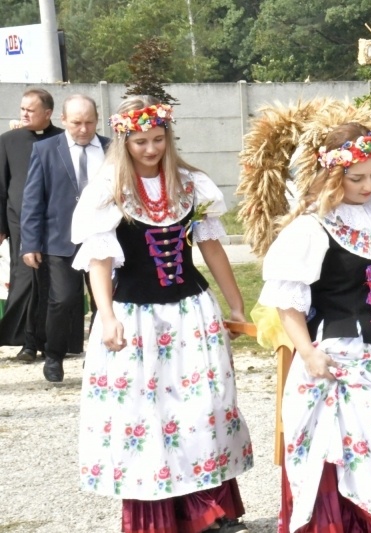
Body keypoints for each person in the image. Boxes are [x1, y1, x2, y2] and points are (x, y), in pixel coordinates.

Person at [71, 96, 252, 533]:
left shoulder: (192, 184)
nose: (150, 149)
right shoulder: (109, 189)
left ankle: (211, 506)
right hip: (135, 314)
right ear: (124, 141)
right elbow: (99, 259)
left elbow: (210, 247)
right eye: (140, 142)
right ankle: (161, 513)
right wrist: (105, 314)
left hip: (192, 311)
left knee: (203, 407)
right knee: (147, 413)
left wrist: (236, 304)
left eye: (157, 139)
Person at [259, 122, 371, 533]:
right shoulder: (313, 226)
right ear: (335, 175)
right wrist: (308, 352)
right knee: (341, 452)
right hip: (341, 357)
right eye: (357, 177)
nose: (368, 184)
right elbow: (287, 301)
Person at [20, 94, 110, 382]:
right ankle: (54, 355)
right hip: (61, 240)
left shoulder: (112, 149)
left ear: (98, 119)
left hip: (103, 238)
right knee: (63, 299)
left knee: (104, 300)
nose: (83, 129)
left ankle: (97, 357)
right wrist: (30, 242)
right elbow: (33, 199)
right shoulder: (46, 150)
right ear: (63, 120)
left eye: (89, 122)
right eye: (76, 123)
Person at [0, 88, 63, 361]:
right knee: (25, 279)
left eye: (30, 110)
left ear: (47, 114)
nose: (24, 113)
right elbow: (1, 187)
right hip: (19, 221)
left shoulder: (63, 139)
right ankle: (24, 341)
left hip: (56, 220)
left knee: (55, 281)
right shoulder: (8, 141)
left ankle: (54, 340)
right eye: (22, 109)